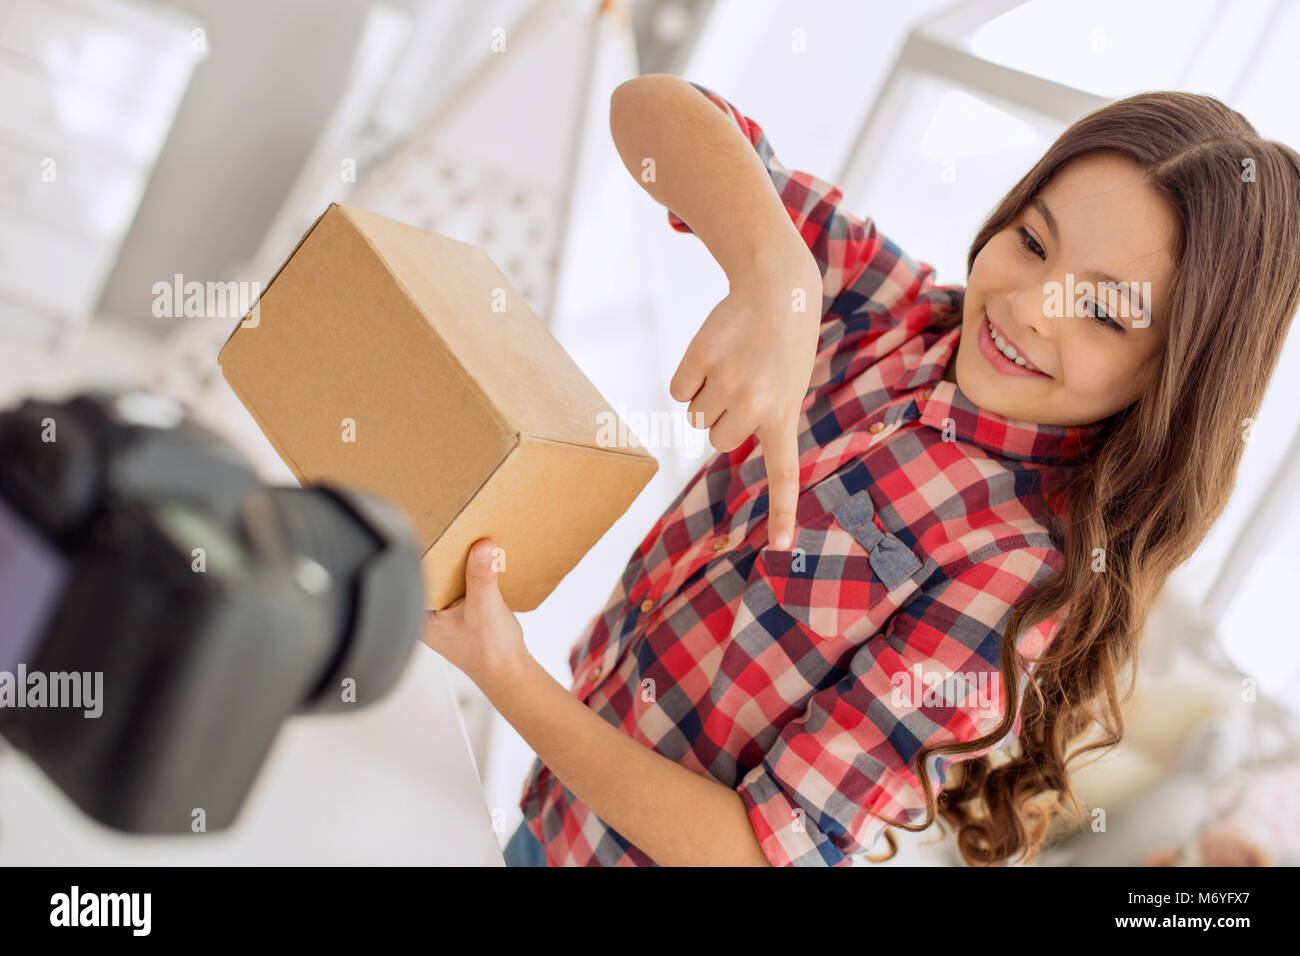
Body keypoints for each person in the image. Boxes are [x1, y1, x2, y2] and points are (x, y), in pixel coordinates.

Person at [424, 75, 1300, 866]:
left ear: (1174, 379)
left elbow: (757, 849)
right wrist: (778, 276)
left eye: (1103, 311)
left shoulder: (1019, 568)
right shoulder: (893, 311)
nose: (1031, 309)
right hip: (554, 812)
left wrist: (507, 673)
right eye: (1033, 242)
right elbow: (646, 113)